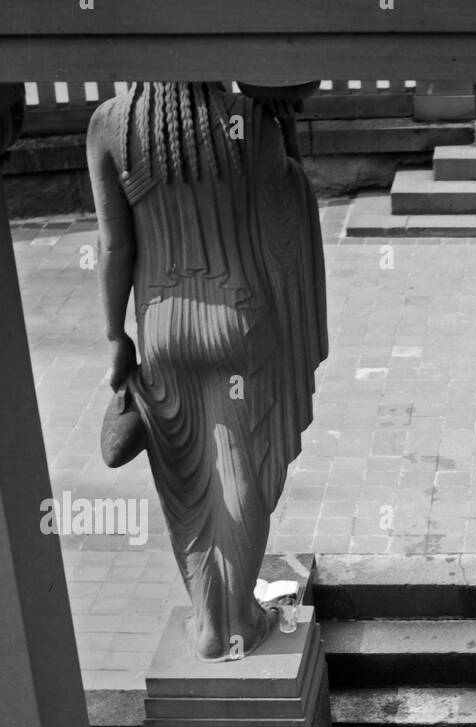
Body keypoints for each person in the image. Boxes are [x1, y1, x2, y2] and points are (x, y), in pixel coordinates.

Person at [86, 81, 327, 661]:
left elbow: (115, 246)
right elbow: (285, 201)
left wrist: (117, 334)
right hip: (240, 318)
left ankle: (208, 622)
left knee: (186, 478)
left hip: (163, 322)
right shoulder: (247, 119)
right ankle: (240, 615)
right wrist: (284, 124)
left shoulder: (110, 125)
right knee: (238, 465)